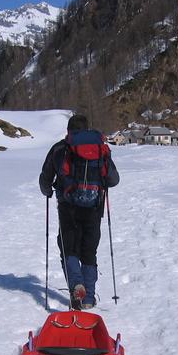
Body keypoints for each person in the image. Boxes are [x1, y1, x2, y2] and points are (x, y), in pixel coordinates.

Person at [39, 113, 119, 310]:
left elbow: (45, 179)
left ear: (69, 130)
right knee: (89, 251)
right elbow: (113, 180)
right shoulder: (101, 148)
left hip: (68, 206)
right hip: (93, 208)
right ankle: (89, 298)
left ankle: (76, 287)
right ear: (87, 129)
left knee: (69, 248)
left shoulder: (60, 148)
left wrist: (48, 191)